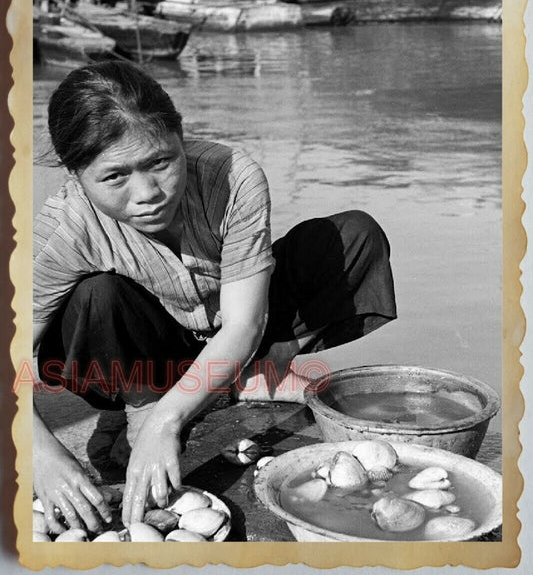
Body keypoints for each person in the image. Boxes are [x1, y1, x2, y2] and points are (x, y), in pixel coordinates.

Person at [33, 61, 397, 534]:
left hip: (236, 328)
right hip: (150, 352)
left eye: (161, 162)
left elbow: (244, 323)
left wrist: (171, 423)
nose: (148, 194)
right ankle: (143, 405)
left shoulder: (232, 175)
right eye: (115, 177)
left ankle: (242, 378)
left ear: (181, 137)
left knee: (352, 236)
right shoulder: (64, 227)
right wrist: (39, 450)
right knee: (95, 294)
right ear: (75, 172)